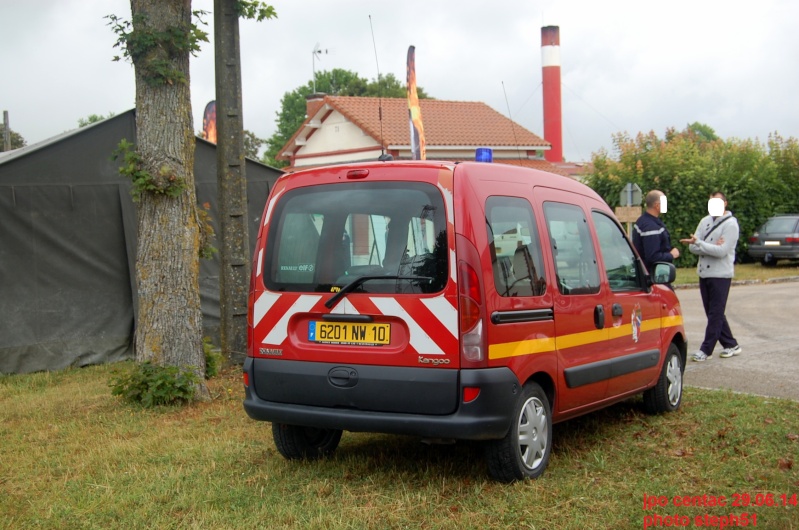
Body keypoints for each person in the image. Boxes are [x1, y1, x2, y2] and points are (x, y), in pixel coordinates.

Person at [680, 191, 742, 362]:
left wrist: (701, 244)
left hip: (720, 275)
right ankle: (731, 344)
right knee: (713, 312)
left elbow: (722, 251)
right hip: (704, 273)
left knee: (715, 313)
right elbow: (693, 247)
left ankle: (705, 349)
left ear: (725, 204)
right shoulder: (705, 221)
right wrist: (707, 245)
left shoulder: (730, 225)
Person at [632, 190, 680, 274]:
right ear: (657, 205)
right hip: (654, 276)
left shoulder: (642, 220)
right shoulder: (651, 227)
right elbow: (652, 256)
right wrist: (671, 255)